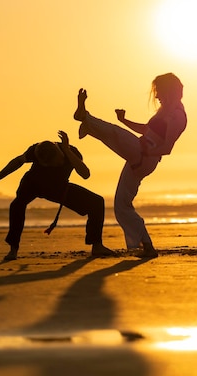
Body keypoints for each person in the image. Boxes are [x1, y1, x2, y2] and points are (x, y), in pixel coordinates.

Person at [73, 73, 187, 258]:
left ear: (168, 90)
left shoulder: (177, 116)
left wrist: (144, 153)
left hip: (145, 157)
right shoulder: (165, 111)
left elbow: (167, 148)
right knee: (121, 205)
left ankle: (85, 118)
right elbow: (145, 129)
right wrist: (123, 120)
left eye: (159, 91)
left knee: (115, 135)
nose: (156, 96)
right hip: (140, 154)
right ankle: (147, 247)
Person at [0, 130, 115, 260]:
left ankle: (97, 245)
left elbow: (85, 174)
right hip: (33, 183)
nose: (58, 164)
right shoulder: (35, 150)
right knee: (17, 204)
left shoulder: (71, 152)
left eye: (59, 161)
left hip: (58, 187)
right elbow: (19, 161)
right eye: (53, 164)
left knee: (97, 202)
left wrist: (67, 150)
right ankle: (13, 249)